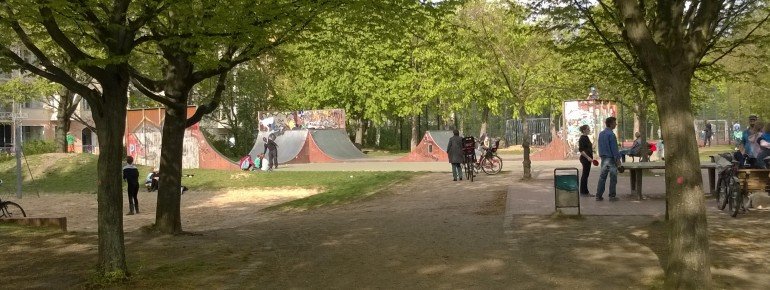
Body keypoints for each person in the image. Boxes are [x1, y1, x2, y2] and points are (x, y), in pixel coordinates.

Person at [596, 117, 621, 202]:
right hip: (610, 159)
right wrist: (618, 160)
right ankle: (612, 196)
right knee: (613, 177)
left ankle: (598, 195)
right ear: (610, 124)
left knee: (602, 177)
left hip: (603, 158)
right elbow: (614, 148)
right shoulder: (611, 134)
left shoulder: (601, 134)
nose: (616, 124)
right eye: (614, 123)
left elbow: (599, 146)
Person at [578, 125, 596, 197]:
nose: (589, 130)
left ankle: (585, 192)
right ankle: (584, 192)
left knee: (586, 175)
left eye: (589, 129)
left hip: (588, 159)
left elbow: (589, 148)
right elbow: (581, 150)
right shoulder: (582, 138)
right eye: (588, 129)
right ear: (584, 130)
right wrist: (588, 157)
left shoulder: (586, 137)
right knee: (585, 175)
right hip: (585, 159)